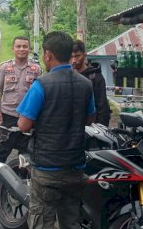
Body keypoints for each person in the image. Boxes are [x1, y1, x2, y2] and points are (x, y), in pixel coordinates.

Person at [16, 31, 95, 229]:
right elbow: (90, 119)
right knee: (71, 221)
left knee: (42, 221)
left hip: (46, 169)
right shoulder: (86, 84)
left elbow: (23, 125)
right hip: (75, 167)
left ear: (48, 55)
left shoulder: (41, 85)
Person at [0, 36, 42, 199]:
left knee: (27, 153)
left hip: (28, 119)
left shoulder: (36, 69)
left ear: (29, 49)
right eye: (18, 46)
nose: (22, 49)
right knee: (0, 152)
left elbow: (41, 92)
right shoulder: (5, 68)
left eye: (25, 46)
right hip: (8, 117)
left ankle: (22, 188)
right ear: (13, 49)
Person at [71, 40, 111, 127]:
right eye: (71, 56)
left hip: (91, 128)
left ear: (84, 55)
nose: (74, 60)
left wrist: (101, 129)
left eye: (77, 56)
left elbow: (102, 107)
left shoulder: (95, 77)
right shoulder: (67, 76)